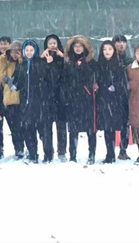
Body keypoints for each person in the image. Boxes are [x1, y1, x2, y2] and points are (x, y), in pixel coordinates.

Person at [13, 40, 54, 163]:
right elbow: (17, 84)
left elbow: (50, 79)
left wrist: (49, 65)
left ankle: (48, 155)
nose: (29, 52)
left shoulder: (41, 63)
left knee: (44, 131)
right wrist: (10, 82)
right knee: (28, 130)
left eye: (31, 50)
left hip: (41, 103)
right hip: (26, 104)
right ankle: (32, 154)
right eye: (27, 50)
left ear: (35, 51)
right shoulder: (21, 66)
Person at [62, 35, 98, 164]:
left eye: (80, 46)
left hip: (87, 99)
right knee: (73, 130)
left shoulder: (91, 62)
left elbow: (96, 77)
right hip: (73, 100)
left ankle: (91, 154)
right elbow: (64, 80)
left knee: (91, 130)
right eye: (75, 46)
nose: (78, 49)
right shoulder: (68, 64)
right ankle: (72, 155)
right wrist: (66, 95)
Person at [95, 40, 129, 164]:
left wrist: (115, 87)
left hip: (118, 101)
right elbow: (96, 80)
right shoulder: (98, 65)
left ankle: (123, 150)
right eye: (104, 49)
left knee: (121, 126)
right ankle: (110, 153)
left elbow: (123, 82)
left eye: (109, 49)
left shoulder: (119, 65)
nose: (107, 52)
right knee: (107, 128)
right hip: (103, 100)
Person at [0, 40, 26, 158]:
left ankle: (25, 148)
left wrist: (21, 59)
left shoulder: (24, 63)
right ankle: (18, 149)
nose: (14, 55)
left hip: (23, 99)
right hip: (11, 99)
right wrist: (3, 58)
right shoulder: (6, 62)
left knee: (24, 128)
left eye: (17, 52)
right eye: (12, 52)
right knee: (14, 128)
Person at [40, 34, 66, 162]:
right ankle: (48, 153)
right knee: (46, 127)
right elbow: (42, 76)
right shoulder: (43, 59)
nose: (52, 46)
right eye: (49, 43)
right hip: (46, 97)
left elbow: (61, 75)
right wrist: (44, 61)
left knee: (61, 126)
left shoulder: (63, 59)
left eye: (54, 43)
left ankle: (62, 152)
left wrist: (63, 57)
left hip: (60, 96)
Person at [112, 34, 133, 160]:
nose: (121, 44)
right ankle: (110, 151)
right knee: (110, 125)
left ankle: (123, 150)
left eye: (123, 42)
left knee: (126, 124)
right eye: (118, 42)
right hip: (111, 97)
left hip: (127, 97)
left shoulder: (130, 61)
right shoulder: (109, 60)